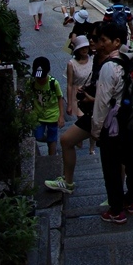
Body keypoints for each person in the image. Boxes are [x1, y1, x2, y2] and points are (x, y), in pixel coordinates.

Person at [91, 21, 133, 224]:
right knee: (132, 159)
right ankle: (132, 200)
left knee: (111, 165)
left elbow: (102, 102)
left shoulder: (109, 67)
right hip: (131, 120)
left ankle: (115, 210)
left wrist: (96, 130)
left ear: (116, 41)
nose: (101, 44)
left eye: (104, 40)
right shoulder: (131, 58)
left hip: (113, 125)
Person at [45, 26, 106, 194]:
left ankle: (120, 199)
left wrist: (91, 98)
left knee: (114, 157)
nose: (91, 42)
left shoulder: (109, 63)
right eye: (90, 38)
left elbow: (110, 96)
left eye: (96, 38)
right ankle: (68, 180)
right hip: (92, 110)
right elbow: (71, 83)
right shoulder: (95, 60)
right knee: (66, 140)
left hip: (105, 113)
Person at [29, 56, 64, 156]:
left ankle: (52, 158)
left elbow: (59, 98)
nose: (40, 80)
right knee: (38, 136)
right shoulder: (32, 83)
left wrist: (61, 116)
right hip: (38, 115)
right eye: (38, 77)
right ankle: (49, 140)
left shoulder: (53, 83)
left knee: (52, 138)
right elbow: (28, 95)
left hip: (53, 115)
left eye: (42, 77)